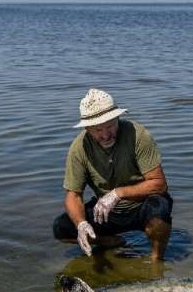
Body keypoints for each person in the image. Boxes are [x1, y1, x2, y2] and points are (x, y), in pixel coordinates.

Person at [52, 88, 173, 261]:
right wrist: (81, 223)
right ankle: (111, 242)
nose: (106, 135)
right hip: (105, 212)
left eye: (110, 126)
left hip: (141, 206)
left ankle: (156, 260)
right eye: (97, 130)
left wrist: (118, 193)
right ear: (87, 128)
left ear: (118, 118)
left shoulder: (138, 135)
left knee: (159, 210)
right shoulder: (78, 148)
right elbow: (73, 195)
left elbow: (159, 184)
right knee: (61, 227)